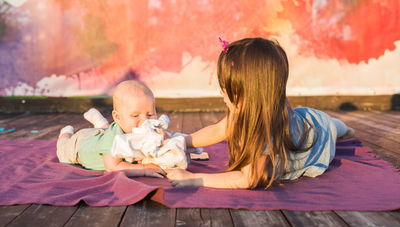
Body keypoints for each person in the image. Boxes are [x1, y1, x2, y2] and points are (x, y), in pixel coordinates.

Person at [166, 37, 354, 189]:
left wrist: (194, 179)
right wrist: (179, 141)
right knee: (325, 121)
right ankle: (342, 127)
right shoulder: (246, 109)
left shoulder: (264, 129)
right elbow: (216, 131)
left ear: (251, 93)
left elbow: (248, 179)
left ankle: (346, 129)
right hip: (302, 119)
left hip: (317, 131)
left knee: (334, 126)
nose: (221, 92)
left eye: (227, 87)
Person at [56, 80, 166, 178]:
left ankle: (101, 123)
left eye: (150, 114)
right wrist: (144, 169)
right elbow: (113, 167)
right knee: (63, 151)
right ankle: (65, 134)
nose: (145, 120)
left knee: (107, 132)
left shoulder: (143, 129)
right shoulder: (113, 139)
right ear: (117, 117)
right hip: (79, 145)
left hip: (101, 135)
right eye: (135, 116)